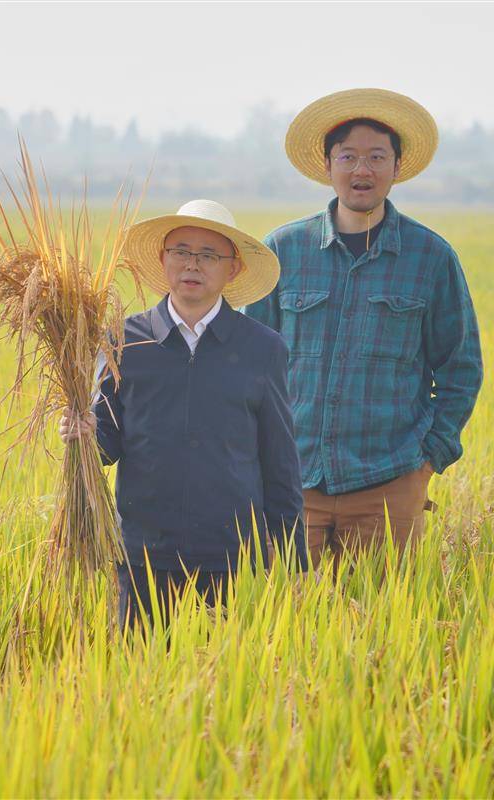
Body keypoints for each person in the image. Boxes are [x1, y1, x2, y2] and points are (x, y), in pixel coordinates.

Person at [245, 89, 483, 569]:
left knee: (381, 631)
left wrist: (427, 463)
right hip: (293, 487)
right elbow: (250, 367)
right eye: (348, 156)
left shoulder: (431, 258)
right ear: (328, 165)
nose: (362, 170)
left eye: (377, 157)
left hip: (388, 487)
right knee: (283, 630)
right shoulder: (284, 251)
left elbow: (461, 369)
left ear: (397, 167)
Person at [60, 199, 307, 632]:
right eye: (181, 251)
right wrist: (84, 433)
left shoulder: (262, 349)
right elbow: (107, 448)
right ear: (163, 260)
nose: (193, 264)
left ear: (233, 270)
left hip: (233, 558)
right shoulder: (122, 340)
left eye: (209, 255)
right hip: (144, 557)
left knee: (230, 684)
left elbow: (280, 461)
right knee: (139, 681)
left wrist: (294, 559)